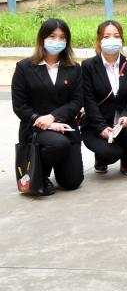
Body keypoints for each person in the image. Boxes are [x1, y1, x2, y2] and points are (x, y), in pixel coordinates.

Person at [11, 19, 84, 195]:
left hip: (65, 126)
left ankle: (57, 163)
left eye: (62, 37)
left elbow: (77, 101)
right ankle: (40, 174)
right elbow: (19, 105)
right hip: (36, 128)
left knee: (72, 182)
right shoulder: (24, 68)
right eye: (52, 36)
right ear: (42, 38)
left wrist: (53, 117)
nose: (57, 41)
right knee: (58, 144)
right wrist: (41, 120)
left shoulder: (74, 68)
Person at [81, 20, 127, 177]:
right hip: (96, 123)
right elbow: (88, 99)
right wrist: (101, 127)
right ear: (99, 40)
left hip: (122, 123)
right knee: (110, 154)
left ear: (122, 39)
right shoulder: (88, 66)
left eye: (116, 36)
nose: (112, 40)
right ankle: (101, 158)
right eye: (106, 36)